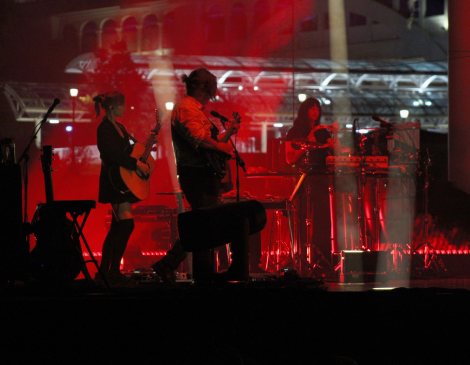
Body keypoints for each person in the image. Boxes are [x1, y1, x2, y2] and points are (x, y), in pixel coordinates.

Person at [151, 67, 238, 283]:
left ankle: (195, 270)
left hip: (201, 173)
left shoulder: (193, 109)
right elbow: (199, 139)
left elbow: (206, 145)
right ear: (203, 88)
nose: (211, 96)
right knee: (204, 223)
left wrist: (226, 136)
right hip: (197, 175)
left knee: (204, 223)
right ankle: (171, 265)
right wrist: (221, 146)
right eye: (210, 91)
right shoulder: (187, 109)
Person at [94, 91, 152, 286]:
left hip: (120, 181)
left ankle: (106, 272)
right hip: (113, 181)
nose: (125, 108)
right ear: (112, 107)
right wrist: (135, 165)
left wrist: (146, 145)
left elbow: (131, 148)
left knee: (118, 227)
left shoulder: (119, 127)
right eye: (123, 105)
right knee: (126, 225)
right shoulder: (105, 129)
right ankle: (111, 272)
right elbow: (110, 154)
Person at [285, 97, 340, 275]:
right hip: (303, 179)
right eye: (312, 108)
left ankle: (322, 257)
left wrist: (336, 136)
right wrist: (307, 143)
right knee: (302, 217)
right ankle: (301, 256)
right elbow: (289, 158)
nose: (315, 111)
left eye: (317, 108)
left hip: (321, 179)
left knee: (323, 218)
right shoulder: (295, 131)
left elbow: (337, 152)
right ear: (304, 110)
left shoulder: (323, 132)